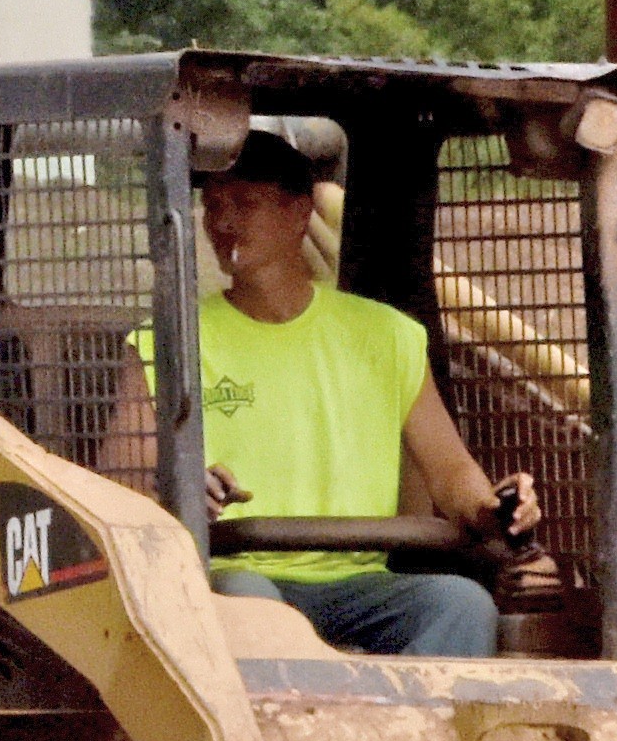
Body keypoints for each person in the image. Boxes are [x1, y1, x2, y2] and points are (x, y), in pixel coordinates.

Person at [193, 128, 533, 656]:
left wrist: (495, 508)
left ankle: (416, 737)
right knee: (248, 607)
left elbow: (449, 472)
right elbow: (123, 481)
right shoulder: (167, 341)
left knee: (462, 603)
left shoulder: (387, 335)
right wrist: (186, 488)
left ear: (298, 213)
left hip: (360, 583)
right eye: (212, 205)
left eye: (243, 202)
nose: (222, 222)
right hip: (236, 570)